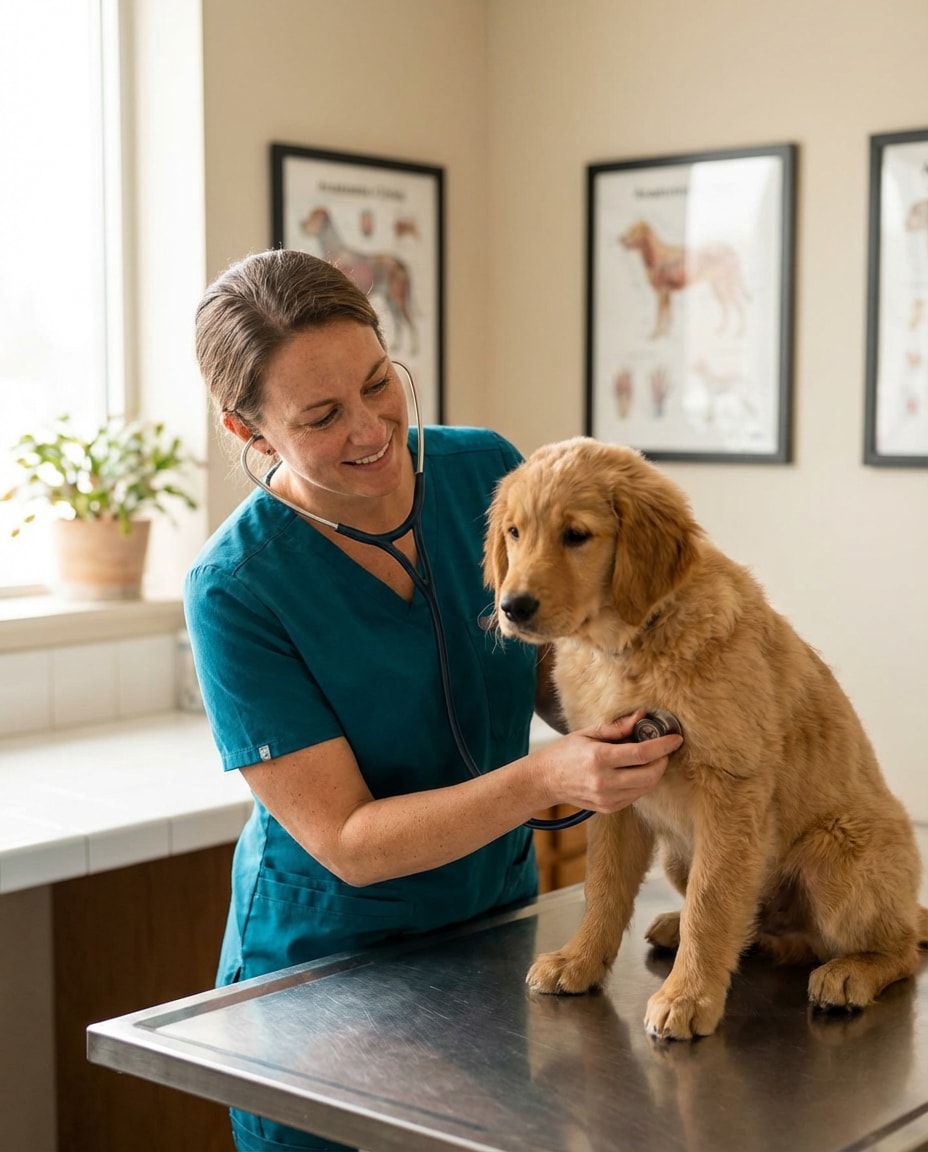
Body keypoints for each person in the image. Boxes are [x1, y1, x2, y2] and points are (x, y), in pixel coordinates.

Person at [186, 248, 682, 1152]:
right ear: (248, 430)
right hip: (327, 976)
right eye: (322, 416)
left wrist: (655, 712)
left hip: (491, 930)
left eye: (379, 382)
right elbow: (347, 840)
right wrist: (548, 779)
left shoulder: (486, 472)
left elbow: (557, 676)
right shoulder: (236, 588)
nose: (371, 428)